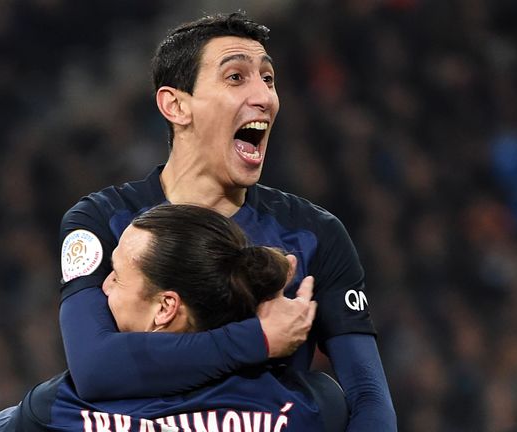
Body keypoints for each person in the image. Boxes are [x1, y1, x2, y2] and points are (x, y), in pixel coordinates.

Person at [58, 12, 396, 430]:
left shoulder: (315, 233)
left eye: (268, 79)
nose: (265, 97)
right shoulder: (102, 222)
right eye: (236, 77)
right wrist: (260, 340)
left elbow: (368, 396)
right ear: (176, 105)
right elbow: (95, 368)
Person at [0, 204, 348, 431]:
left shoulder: (60, 408)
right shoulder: (309, 405)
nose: (105, 287)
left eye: (118, 276)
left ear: (165, 308)